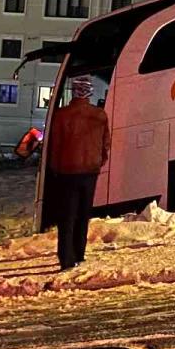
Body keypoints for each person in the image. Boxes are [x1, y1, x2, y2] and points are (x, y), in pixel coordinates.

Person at [46, 77, 110, 270]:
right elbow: (106, 144)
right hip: (89, 172)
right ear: (89, 93)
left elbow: (55, 146)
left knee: (67, 216)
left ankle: (66, 258)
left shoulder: (61, 115)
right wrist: (98, 163)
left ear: (73, 92)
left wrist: (55, 168)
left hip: (66, 171)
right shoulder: (99, 116)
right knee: (83, 214)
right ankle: (79, 253)